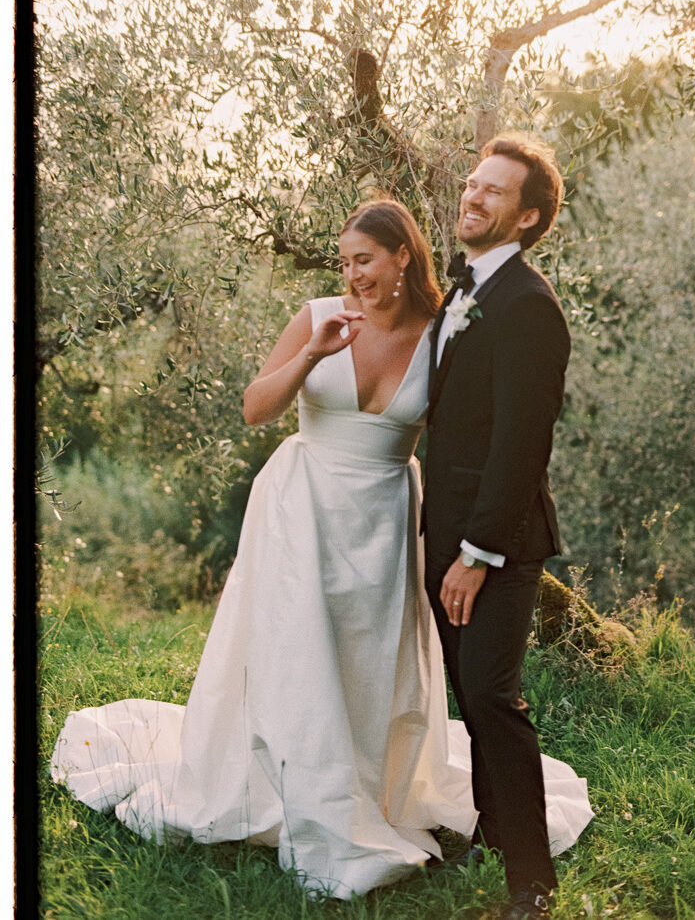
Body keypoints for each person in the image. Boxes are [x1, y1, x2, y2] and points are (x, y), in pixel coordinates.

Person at [51, 200, 592, 902]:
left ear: (402, 256)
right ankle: (289, 788)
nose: (352, 275)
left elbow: (480, 425)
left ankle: (365, 789)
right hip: (301, 507)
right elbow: (256, 408)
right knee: (292, 654)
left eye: (363, 260)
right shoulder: (317, 316)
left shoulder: (443, 333)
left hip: (385, 516)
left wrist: (482, 534)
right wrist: (314, 352)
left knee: (367, 664)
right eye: (344, 262)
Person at [424, 135, 573, 920]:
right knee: (468, 694)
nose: (471, 196)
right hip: (443, 530)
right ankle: (490, 831)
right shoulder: (466, 288)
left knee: (490, 695)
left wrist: (477, 553)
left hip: (498, 543)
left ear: (527, 217)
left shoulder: (526, 305)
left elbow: (521, 443)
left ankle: (531, 884)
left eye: (492, 190)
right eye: (471, 183)